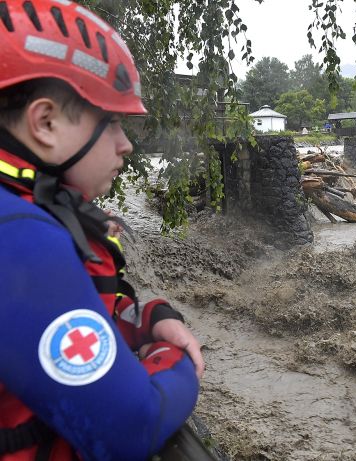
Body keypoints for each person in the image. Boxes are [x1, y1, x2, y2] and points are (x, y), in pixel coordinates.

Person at [0, 2, 204, 460]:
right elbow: (132, 426)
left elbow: (63, 311)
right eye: (110, 121)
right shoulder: (18, 238)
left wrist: (148, 316)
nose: (126, 144)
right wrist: (173, 363)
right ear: (46, 123)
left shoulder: (21, 210)